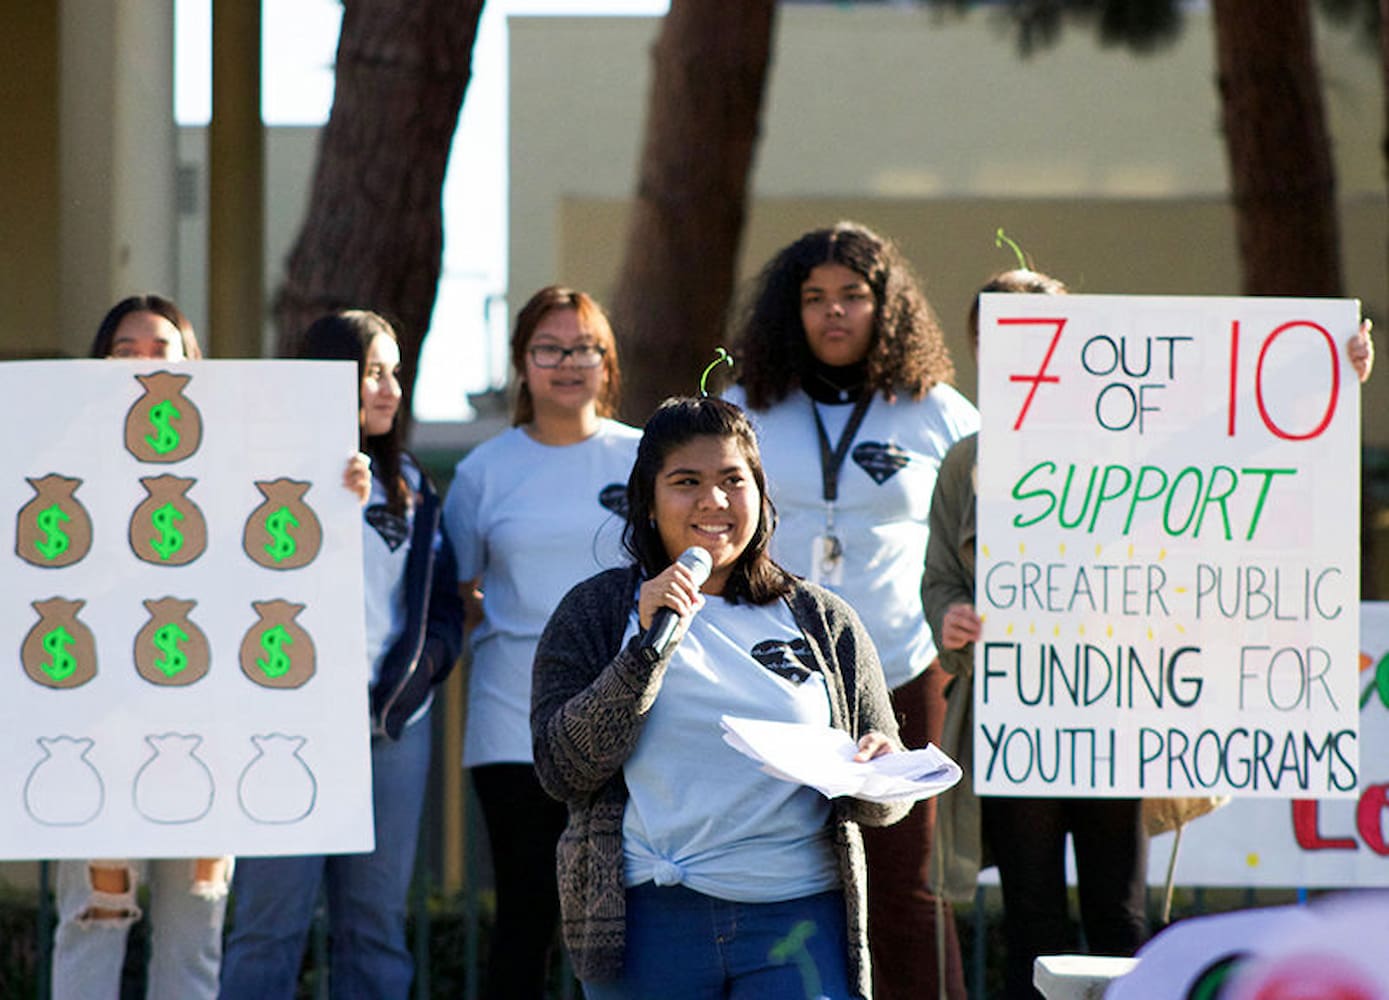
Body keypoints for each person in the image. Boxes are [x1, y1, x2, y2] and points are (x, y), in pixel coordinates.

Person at [921, 269, 1376, 999]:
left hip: (1115, 712)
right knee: (1031, 917)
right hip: (1018, 714)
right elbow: (940, 575)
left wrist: (1321, 374)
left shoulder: (1136, 442)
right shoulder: (967, 461)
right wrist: (950, 618)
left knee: (1120, 915)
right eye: (1002, 343)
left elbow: (1237, 436)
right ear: (981, 350)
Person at [531, 396, 910, 1000]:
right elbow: (563, 769)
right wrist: (644, 651)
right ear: (649, 504)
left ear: (760, 497)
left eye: (734, 481)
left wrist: (879, 766)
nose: (714, 501)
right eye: (687, 482)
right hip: (649, 924)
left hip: (797, 919)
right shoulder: (596, 613)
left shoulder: (823, 619)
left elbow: (886, 807)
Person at [725, 221, 977, 1000]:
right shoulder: (744, 406)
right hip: (774, 677)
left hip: (903, 674)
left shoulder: (937, 410)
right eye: (813, 298)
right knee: (781, 877)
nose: (833, 313)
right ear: (788, 311)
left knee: (907, 890)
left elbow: (1037, 481)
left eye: (852, 296)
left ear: (886, 306)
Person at [219, 309, 464, 998]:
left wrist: (416, 682)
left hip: (388, 736)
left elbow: (440, 609)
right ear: (329, 380)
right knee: (268, 928)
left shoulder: (412, 485)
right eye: (371, 374)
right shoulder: (265, 478)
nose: (388, 389)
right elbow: (239, 588)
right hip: (282, 737)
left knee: (375, 930)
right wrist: (326, 503)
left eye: (395, 374)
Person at [443, 286, 640, 998]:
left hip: (631, 724)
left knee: (625, 924)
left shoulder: (647, 458)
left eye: (583, 348)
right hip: (510, 729)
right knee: (528, 917)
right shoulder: (483, 472)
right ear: (522, 364)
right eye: (548, 349)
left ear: (606, 362)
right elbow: (460, 601)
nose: (566, 364)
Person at [51, 294, 225, 1000]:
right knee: (93, 919)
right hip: (89, 725)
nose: (143, 363)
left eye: (161, 348)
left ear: (193, 365)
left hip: (205, 726)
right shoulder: (51, 461)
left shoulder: (234, 467)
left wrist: (342, 491)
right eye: (125, 349)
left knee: (194, 935)